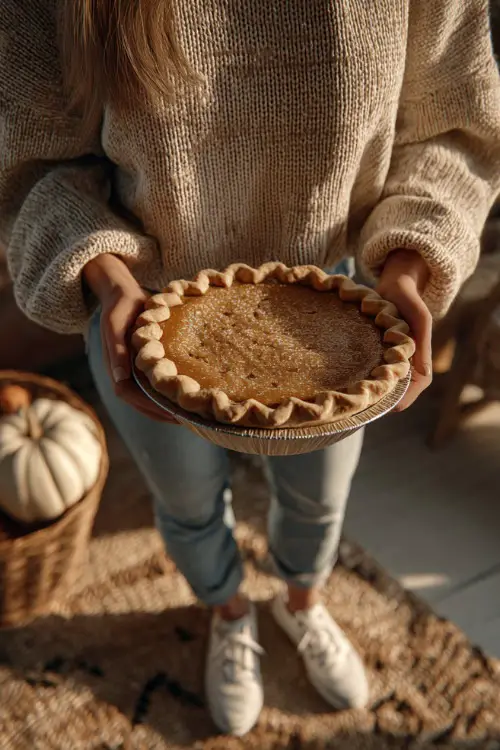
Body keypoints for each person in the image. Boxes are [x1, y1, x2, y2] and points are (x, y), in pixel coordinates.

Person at [1, 0, 500, 736]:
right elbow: (33, 160)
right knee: (188, 502)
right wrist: (108, 279)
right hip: (148, 311)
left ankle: (300, 602)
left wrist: (404, 267)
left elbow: (451, 126)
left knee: (320, 499)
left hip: (339, 315)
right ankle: (229, 611)